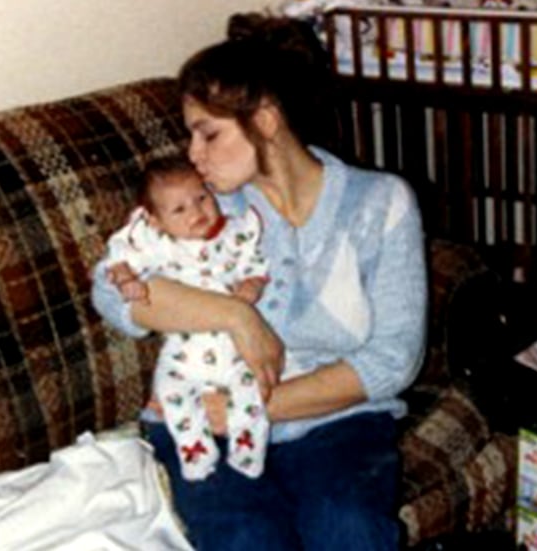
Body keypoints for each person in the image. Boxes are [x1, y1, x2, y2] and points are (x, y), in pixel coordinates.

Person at [91, 14, 428, 551]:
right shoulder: (207, 206)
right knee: (249, 538)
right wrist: (236, 316)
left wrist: (253, 406)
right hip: (206, 414)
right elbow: (111, 289)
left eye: (208, 134)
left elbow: (393, 360)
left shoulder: (381, 203)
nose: (193, 156)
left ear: (266, 121)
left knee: (348, 527)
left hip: (335, 419)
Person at [102, 155, 271, 481]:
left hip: (235, 350)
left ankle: (247, 449)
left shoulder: (233, 235)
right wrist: (127, 279)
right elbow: (119, 260)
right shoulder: (158, 246)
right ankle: (195, 450)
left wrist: (251, 285)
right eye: (179, 210)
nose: (196, 212)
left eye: (202, 198)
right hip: (184, 355)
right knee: (170, 391)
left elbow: (254, 264)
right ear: (155, 221)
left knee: (250, 393)